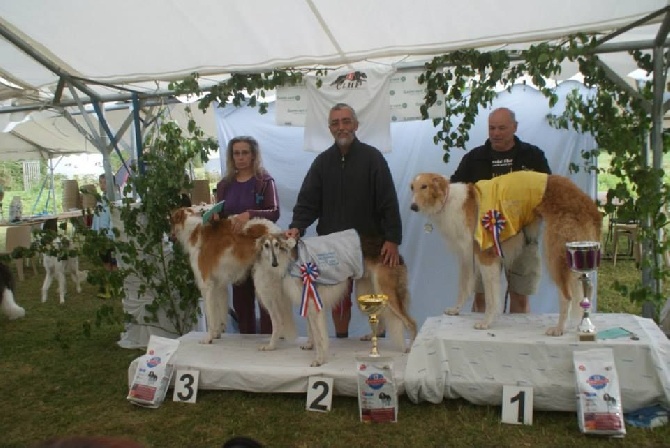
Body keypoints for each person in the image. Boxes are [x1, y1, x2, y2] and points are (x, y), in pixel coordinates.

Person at [286, 103, 402, 338]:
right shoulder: (322, 163)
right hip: (333, 245)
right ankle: (342, 342)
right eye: (336, 123)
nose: (341, 128)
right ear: (330, 128)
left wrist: (392, 238)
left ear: (356, 125)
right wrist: (296, 227)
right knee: (339, 299)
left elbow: (388, 200)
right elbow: (308, 201)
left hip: (368, 243)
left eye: (346, 121)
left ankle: (377, 341)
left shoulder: (373, 158)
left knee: (373, 295)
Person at [450, 107, 551, 314]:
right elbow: (455, 193)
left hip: (522, 237)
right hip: (482, 239)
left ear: (515, 127)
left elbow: (546, 191)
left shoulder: (533, 156)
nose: (496, 133)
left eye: (502, 128)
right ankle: (479, 339)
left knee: (520, 297)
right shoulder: (473, 158)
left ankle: (517, 341)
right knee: (480, 296)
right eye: (492, 128)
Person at [216, 136, 280, 334]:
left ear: (253, 155)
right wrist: (216, 217)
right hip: (236, 251)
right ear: (231, 157)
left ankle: (271, 343)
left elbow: (274, 212)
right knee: (241, 302)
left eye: (245, 152)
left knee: (266, 299)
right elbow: (220, 214)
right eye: (236, 153)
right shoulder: (224, 185)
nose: (241, 157)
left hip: (261, 250)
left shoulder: (264, 181)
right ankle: (245, 346)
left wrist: (250, 214)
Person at [91, 173, 117, 299]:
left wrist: (111, 234)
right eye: (100, 182)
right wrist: (94, 232)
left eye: (105, 182)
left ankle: (115, 285)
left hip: (110, 236)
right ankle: (107, 285)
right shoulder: (101, 199)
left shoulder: (115, 198)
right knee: (105, 261)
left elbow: (114, 219)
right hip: (101, 236)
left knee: (114, 261)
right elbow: (98, 217)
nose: (102, 185)